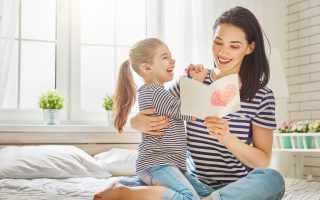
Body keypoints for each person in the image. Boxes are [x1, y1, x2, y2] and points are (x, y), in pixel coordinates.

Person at [95, 6, 285, 200]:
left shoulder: (261, 95)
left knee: (272, 179)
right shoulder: (193, 80)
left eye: (234, 46)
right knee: (132, 182)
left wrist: (227, 138)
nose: (223, 52)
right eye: (218, 42)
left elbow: (262, 161)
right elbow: (156, 104)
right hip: (189, 181)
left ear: (250, 48)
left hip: (236, 188)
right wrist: (136, 122)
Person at [94, 38, 215, 200]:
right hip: (158, 164)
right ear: (146, 67)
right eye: (165, 57)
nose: (173, 60)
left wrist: (190, 79)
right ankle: (124, 192)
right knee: (189, 198)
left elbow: (181, 102)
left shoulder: (159, 93)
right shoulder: (154, 92)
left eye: (171, 56)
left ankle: (129, 185)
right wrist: (197, 82)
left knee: (210, 196)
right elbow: (191, 112)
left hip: (170, 165)